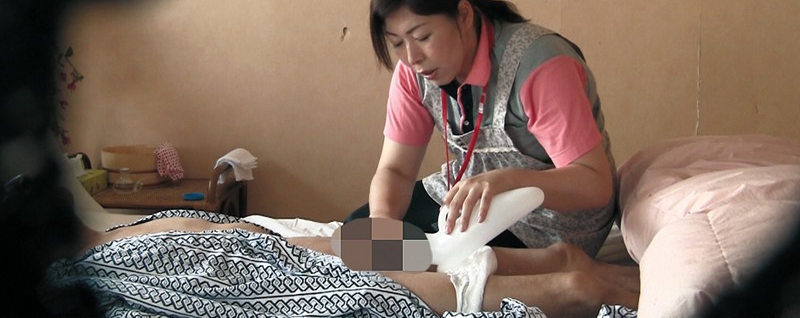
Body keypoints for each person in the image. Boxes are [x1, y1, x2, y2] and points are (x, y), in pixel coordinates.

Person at [346, 0, 616, 257]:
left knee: (457, 262)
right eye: (396, 43)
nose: (412, 57)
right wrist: (382, 225)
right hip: (475, 194)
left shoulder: (541, 64)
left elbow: (594, 184)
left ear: (463, 14)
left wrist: (508, 181)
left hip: (554, 219)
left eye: (422, 37)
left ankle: (574, 269)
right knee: (359, 236)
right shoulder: (413, 72)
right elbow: (396, 171)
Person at [49, 208, 639, 317]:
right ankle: (568, 279)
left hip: (290, 246)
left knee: (422, 252)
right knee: (366, 262)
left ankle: (564, 273)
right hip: (295, 264)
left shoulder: (115, 237)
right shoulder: (88, 274)